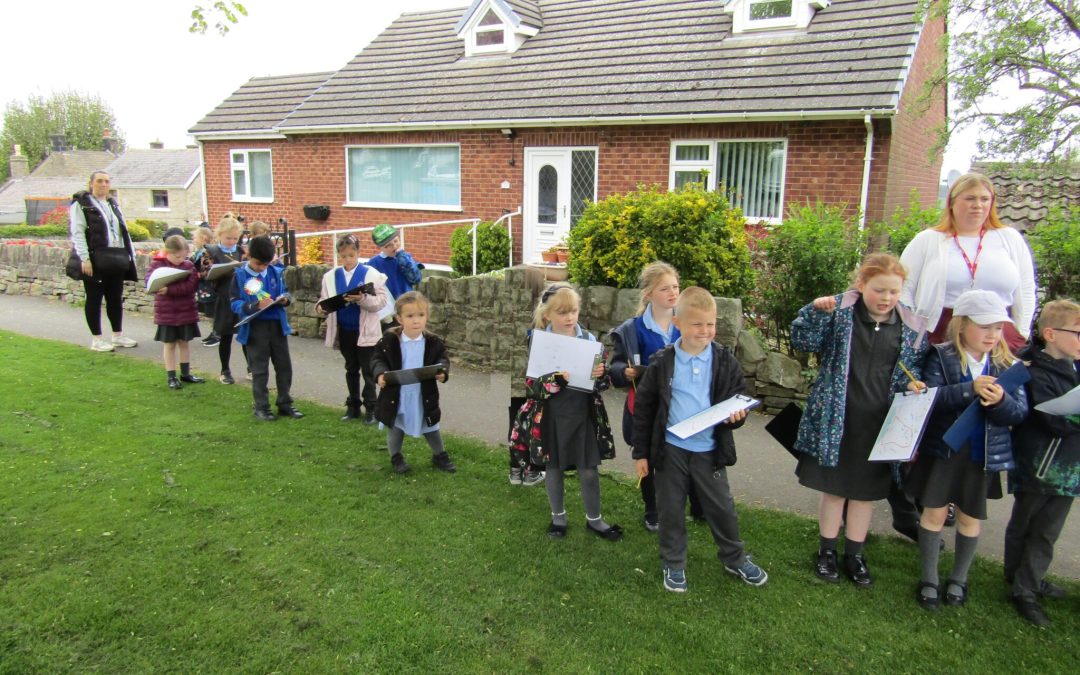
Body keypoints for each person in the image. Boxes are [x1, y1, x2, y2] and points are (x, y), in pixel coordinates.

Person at [792, 253, 929, 587]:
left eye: (893, 292)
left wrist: (913, 385)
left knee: (865, 494)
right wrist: (815, 312)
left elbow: (911, 372)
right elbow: (803, 340)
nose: (886, 298)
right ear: (861, 284)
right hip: (837, 422)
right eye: (879, 290)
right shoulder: (840, 313)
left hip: (879, 425)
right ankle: (826, 551)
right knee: (834, 491)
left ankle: (855, 554)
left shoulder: (911, 328)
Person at [632, 287, 767, 593]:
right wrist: (641, 453)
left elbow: (738, 399)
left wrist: (737, 416)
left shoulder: (724, 361)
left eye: (710, 324)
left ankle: (734, 558)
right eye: (697, 324)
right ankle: (674, 563)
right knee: (670, 510)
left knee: (722, 508)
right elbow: (644, 409)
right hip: (671, 452)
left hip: (709, 451)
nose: (704, 331)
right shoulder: (662, 362)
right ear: (677, 323)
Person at [906, 290, 1028, 611]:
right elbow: (931, 398)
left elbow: (1018, 413)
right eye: (984, 326)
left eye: (998, 328)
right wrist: (968, 390)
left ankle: (959, 579)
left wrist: (1000, 402)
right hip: (944, 452)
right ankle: (929, 579)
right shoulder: (940, 356)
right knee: (934, 514)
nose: (992, 334)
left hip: (980, 456)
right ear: (961, 325)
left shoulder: (1007, 365)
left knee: (969, 517)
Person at [508, 284, 621, 540]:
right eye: (562, 312)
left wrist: (601, 374)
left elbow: (602, 384)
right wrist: (554, 380)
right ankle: (558, 518)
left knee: (589, 470)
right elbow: (531, 387)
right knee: (554, 468)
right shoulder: (538, 342)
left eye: (574, 311)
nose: (570, 317)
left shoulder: (589, 340)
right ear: (547, 314)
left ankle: (594, 520)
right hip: (551, 416)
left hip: (583, 415)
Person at [610, 261, 703, 531]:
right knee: (649, 458)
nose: (673, 293)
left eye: (675, 287)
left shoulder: (686, 322)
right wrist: (623, 371)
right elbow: (616, 365)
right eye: (665, 288)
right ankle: (653, 510)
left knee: (689, 454)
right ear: (648, 293)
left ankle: (699, 505)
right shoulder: (632, 329)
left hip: (683, 405)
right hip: (647, 408)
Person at [1004, 299, 1080, 626]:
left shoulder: (1074, 367)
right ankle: (1020, 583)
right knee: (1025, 525)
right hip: (1040, 465)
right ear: (1050, 334)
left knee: (1047, 532)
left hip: (1069, 470)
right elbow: (1054, 419)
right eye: (1077, 333)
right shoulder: (1034, 371)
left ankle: (1029, 582)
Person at [900, 172, 1036, 352]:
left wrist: (1021, 332)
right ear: (952, 202)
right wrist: (911, 332)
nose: (978, 205)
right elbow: (904, 289)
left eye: (984, 199)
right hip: (941, 333)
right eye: (970, 198)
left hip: (1000, 336)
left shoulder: (1009, 238)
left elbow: (1026, 289)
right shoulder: (927, 240)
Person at [371, 291, 456, 474]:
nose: (416, 320)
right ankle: (396, 457)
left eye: (421, 315)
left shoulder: (433, 342)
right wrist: (380, 375)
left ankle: (439, 455)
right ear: (399, 319)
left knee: (431, 426)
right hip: (397, 395)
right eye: (410, 316)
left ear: (427, 316)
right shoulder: (389, 340)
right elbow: (378, 360)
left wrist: (442, 372)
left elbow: (442, 359)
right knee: (396, 426)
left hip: (423, 394)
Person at [316, 234, 390, 423]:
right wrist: (321, 308)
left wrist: (362, 299)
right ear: (338, 255)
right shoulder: (331, 277)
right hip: (344, 330)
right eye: (343, 256)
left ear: (358, 253)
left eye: (351, 255)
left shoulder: (371, 274)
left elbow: (381, 301)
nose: (348, 259)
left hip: (366, 331)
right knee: (351, 368)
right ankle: (353, 406)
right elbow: (324, 299)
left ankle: (371, 408)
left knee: (368, 370)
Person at [231, 235, 302, 421]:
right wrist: (254, 306)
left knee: (284, 366)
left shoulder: (276, 272)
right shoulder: (240, 275)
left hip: (277, 325)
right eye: (258, 263)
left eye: (266, 264)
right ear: (249, 255)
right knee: (260, 370)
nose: (262, 267)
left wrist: (284, 299)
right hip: (255, 327)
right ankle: (261, 407)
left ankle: (285, 403)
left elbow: (285, 292)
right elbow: (234, 303)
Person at [68, 170, 139, 352]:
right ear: (91, 183)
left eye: (107, 181)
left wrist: (130, 254)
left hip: (114, 257)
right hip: (95, 258)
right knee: (94, 298)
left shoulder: (112, 204)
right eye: (100, 181)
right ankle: (97, 339)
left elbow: (123, 231)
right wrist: (85, 258)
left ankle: (117, 335)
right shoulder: (82, 205)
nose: (104, 185)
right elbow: (77, 232)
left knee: (115, 298)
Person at [146, 235, 204, 389]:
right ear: (167, 252)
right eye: (177, 256)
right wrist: (158, 287)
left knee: (184, 343)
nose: (180, 260)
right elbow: (149, 282)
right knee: (169, 344)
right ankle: (171, 376)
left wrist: (170, 290)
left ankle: (185, 374)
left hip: (186, 310)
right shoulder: (157, 265)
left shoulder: (189, 266)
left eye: (183, 256)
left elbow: (191, 286)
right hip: (167, 312)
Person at [206, 216, 247, 383]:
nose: (232, 241)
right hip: (224, 297)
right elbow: (205, 273)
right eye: (228, 238)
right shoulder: (212, 251)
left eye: (235, 238)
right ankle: (225, 370)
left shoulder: (241, 251)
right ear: (220, 235)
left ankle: (251, 368)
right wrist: (223, 271)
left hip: (241, 296)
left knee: (245, 333)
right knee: (226, 335)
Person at [367, 224, 423, 315]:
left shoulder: (406, 257)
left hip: (407, 304)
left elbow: (416, 278)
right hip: (387, 310)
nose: (394, 246)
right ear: (380, 247)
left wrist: (403, 259)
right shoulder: (374, 263)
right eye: (388, 245)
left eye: (396, 241)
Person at [190, 226, 219, 346]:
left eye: (195, 237)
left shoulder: (207, 252)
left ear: (203, 238)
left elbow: (208, 270)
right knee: (210, 312)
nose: (193, 240)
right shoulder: (199, 252)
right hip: (204, 287)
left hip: (210, 286)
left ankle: (217, 335)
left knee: (214, 311)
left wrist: (197, 274)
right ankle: (214, 332)